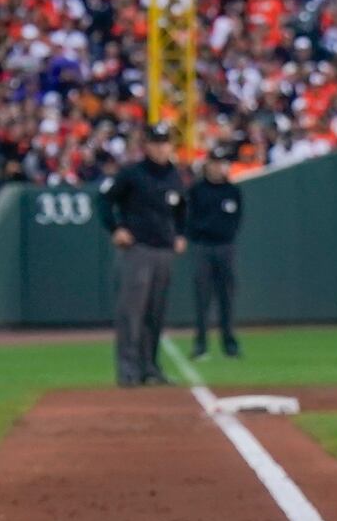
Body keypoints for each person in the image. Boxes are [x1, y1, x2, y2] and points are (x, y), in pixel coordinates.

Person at [101, 123, 187, 386]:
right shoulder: (132, 173)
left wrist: (181, 233)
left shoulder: (174, 174)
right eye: (156, 142)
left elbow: (182, 208)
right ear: (146, 145)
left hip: (164, 250)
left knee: (155, 312)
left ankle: (150, 368)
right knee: (132, 312)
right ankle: (128, 370)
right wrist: (116, 228)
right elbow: (104, 200)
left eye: (165, 142)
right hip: (138, 249)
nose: (161, 147)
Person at [185, 152, 244, 359]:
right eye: (214, 163)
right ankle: (201, 344)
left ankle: (229, 344)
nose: (217, 167)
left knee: (227, 297)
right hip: (203, 247)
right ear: (207, 165)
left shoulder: (232, 190)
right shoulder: (197, 190)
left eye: (221, 163)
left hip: (225, 247)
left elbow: (237, 219)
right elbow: (188, 218)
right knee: (202, 298)